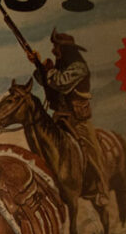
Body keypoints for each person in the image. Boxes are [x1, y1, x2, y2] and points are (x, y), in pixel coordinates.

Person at [28, 27, 110, 207]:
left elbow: (60, 83)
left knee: (93, 151)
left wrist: (46, 68)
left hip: (78, 120)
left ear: (64, 49)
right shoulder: (60, 66)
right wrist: (38, 65)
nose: (53, 50)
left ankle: (102, 190)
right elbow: (46, 81)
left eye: (56, 47)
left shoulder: (78, 68)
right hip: (59, 116)